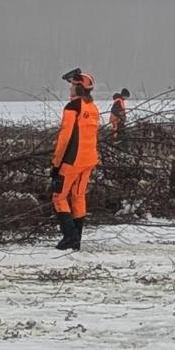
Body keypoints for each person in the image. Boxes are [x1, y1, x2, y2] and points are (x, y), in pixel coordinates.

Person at [51, 67, 101, 251]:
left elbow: (65, 137)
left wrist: (56, 163)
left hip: (72, 160)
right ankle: (76, 239)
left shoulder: (72, 107)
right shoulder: (93, 108)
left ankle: (69, 237)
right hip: (89, 160)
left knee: (59, 197)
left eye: (72, 85)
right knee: (78, 197)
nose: (69, 89)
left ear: (77, 87)